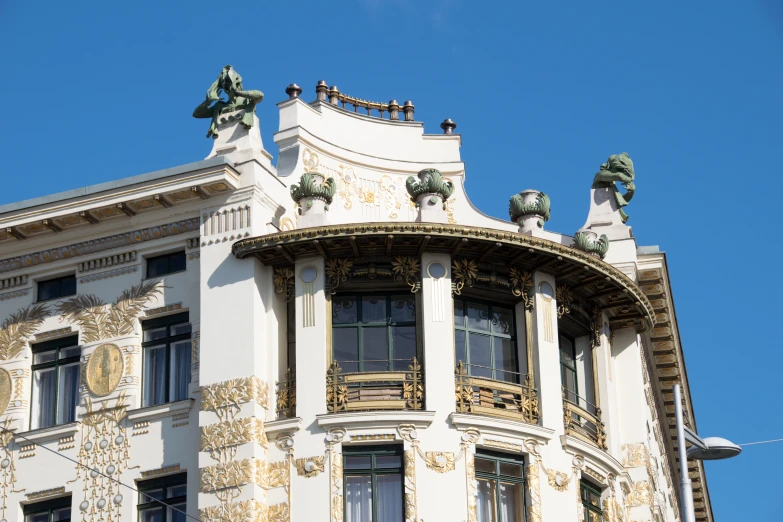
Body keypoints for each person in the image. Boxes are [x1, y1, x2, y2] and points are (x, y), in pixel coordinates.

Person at [192, 65, 264, 138]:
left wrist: (237, 92)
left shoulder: (247, 100)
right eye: (226, 86)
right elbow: (197, 114)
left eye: (229, 84)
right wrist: (208, 102)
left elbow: (260, 95)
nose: (228, 89)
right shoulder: (220, 106)